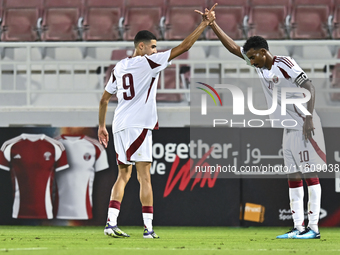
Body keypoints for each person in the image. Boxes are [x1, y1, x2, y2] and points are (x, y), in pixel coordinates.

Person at [197, 9, 325, 239]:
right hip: (289, 127)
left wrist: (307, 118)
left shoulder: (285, 63)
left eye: (253, 57)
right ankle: (298, 227)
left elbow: (310, 87)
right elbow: (235, 49)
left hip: (306, 124)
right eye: (250, 58)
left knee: (310, 176)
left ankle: (313, 228)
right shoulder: (260, 65)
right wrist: (212, 25)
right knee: (294, 177)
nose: (250, 61)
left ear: (264, 52)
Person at [98, 4, 217, 239]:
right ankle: (148, 229)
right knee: (144, 177)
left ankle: (110, 223)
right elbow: (184, 46)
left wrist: (102, 126)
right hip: (139, 125)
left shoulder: (119, 67)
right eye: (152, 47)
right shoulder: (148, 62)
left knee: (123, 175)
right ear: (141, 46)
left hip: (119, 125)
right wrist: (205, 24)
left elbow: (104, 100)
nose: (155, 51)